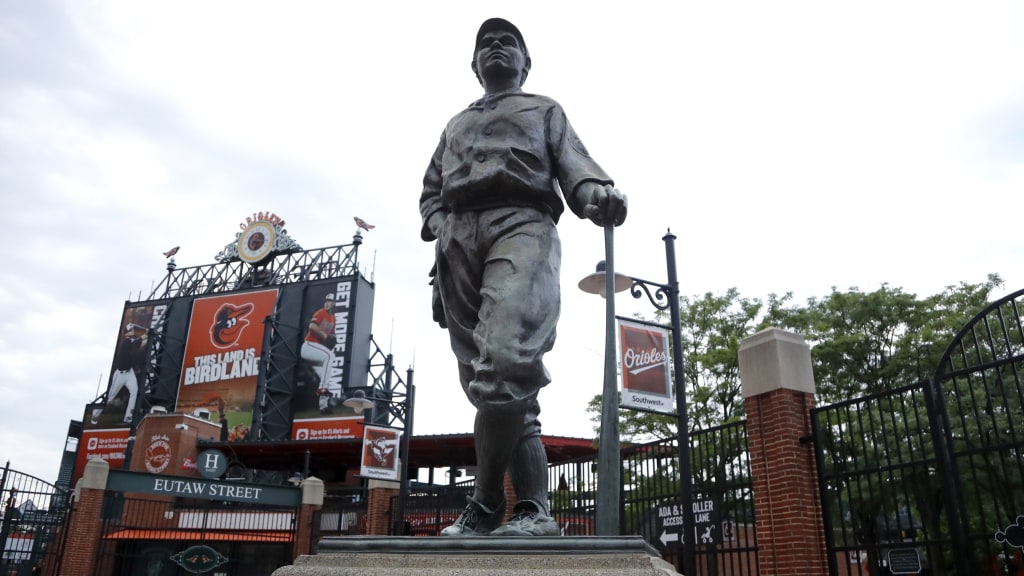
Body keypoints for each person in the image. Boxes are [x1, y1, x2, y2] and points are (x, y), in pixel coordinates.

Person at [419, 18, 627, 537]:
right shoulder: (454, 124)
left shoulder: (544, 109)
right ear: (474, 65)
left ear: (524, 62)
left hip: (522, 223)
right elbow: (429, 193)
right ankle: (534, 510)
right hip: (459, 242)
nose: (494, 46)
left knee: (506, 360)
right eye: (485, 43)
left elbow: (574, 164)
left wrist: (596, 193)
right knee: (491, 386)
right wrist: (442, 231)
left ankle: (485, 503)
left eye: (507, 41)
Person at [92, 322, 147, 424]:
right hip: (120, 374)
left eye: (133, 329)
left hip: (129, 372)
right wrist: (146, 334)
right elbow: (137, 343)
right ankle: (95, 415)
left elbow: (139, 342)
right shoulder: (126, 343)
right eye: (130, 330)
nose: (133, 331)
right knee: (110, 397)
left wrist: (147, 335)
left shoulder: (130, 341)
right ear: (126, 333)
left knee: (134, 391)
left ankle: (128, 417)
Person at [300, 292, 339, 413]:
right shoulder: (320, 312)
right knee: (330, 356)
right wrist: (324, 336)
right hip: (309, 346)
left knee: (326, 374)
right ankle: (322, 388)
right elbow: (312, 327)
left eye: (330, 301)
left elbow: (331, 336)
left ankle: (323, 406)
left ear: (334, 303)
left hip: (317, 354)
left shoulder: (333, 318)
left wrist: (332, 339)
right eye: (327, 300)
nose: (328, 303)